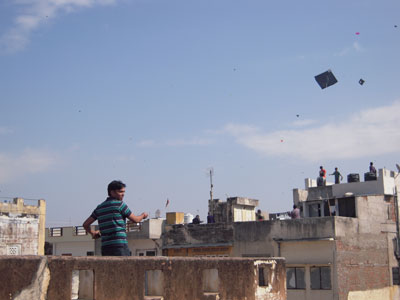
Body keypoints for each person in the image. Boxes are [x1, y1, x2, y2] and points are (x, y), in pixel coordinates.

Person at [83, 180, 148, 256]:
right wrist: (143, 215)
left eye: (123, 192)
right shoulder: (120, 205)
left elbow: (85, 224)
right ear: (112, 192)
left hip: (105, 247)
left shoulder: (99, 208)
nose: (123, 194)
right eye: (120, 192)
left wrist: (93, 233)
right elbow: (135, 220)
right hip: (119, 245)